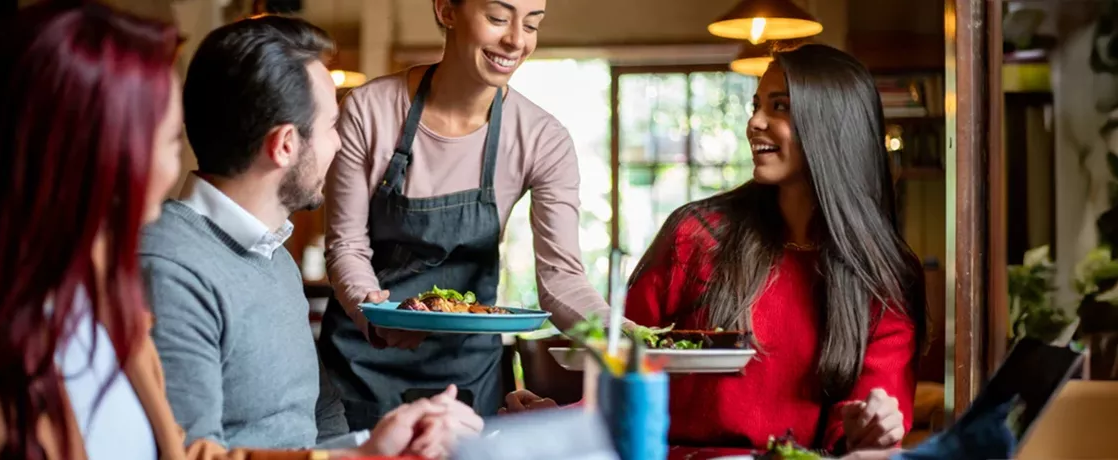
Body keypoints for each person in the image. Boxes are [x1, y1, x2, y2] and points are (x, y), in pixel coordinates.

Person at [0, 2, 466, 459]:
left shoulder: (104, 315)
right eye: (165, 141)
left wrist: (362, 453)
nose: (175, 166)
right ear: (94, 160)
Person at [503, 43, 927, 456]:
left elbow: (872, 422)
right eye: (756, 105)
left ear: (832, 127)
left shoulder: (883, 275)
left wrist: (869, 428)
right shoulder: (697, 234)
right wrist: (557, 419)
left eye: (779, 106)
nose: (755, 122)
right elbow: (625, 361)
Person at [140, 14, 483, 455]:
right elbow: (188, 452)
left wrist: (393, 446)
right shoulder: (170, 269)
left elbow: (321, 419)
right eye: (331, 128)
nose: (339, 145)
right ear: (285, 145)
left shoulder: (273, 256)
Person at [319, 0, 614, 428]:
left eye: (532, 24)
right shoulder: (370, 110)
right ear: (446, 10)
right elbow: (346, 245)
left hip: (467, 374)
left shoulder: (542, 138)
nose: (516, 40)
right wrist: (374, 314)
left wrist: (621, 334)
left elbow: (562, 280)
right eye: (498, 18)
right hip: (364, 362)